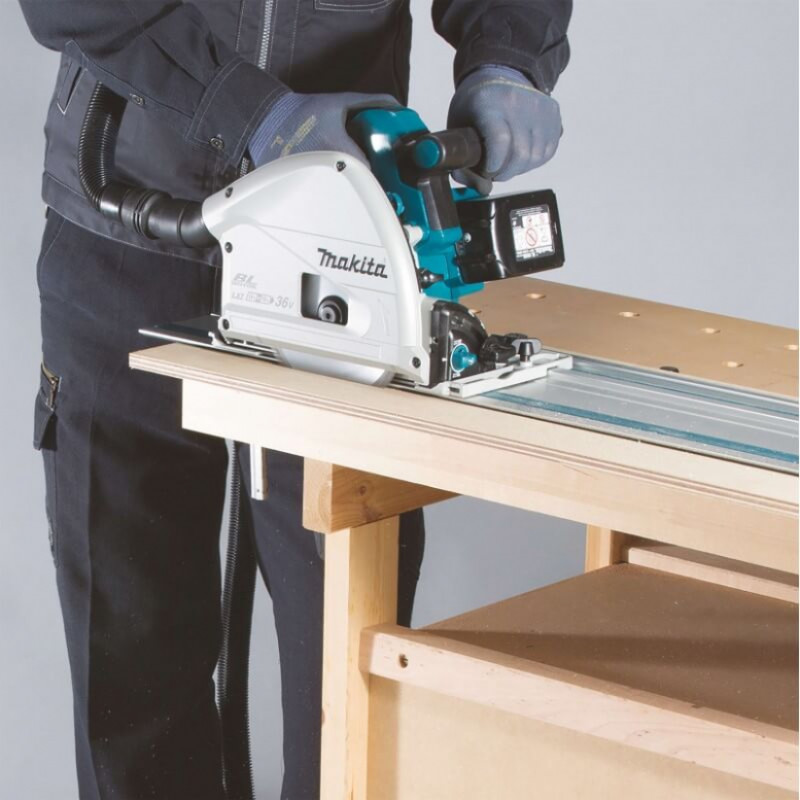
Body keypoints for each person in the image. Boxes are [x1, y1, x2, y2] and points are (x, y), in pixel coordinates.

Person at [20, 1, 572, 798]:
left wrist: (507, 58)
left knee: (348, 680)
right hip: (126, 237)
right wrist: (252, 112)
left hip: (339, 248)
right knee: (131, 663)